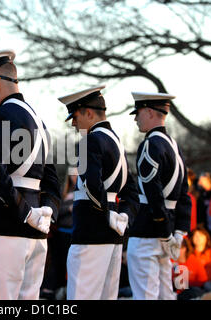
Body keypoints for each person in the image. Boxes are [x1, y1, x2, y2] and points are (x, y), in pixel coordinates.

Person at [0, 49, 61, 299]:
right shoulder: (41, 123)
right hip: (38, 231)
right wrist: (46, 212)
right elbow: (52, 181)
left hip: (5, 225)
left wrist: (23, 211)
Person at [58, 85, 139, 300]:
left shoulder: (89, 141)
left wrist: (106, 214)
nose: (74, 123)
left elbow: (92, 186)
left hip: (91, 231)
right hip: (113, 233)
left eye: (75, 116)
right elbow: (132, 189)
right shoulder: (116, 142)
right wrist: (125, 216)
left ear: (89, 112)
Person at [126, 92, 192, 300]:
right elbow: (184, 194)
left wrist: (164, 230)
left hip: (149, 229)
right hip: (168, 232)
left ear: (149, 112)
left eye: (138, 113)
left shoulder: (150, 145)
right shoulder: (174, 145)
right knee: (165, 295)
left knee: (145, 296)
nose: (136, 118)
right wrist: (179, 231)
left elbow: (153, 193)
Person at [40, 167, 77, 300]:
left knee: (73, 263)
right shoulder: (64, 191)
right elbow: (57, 210)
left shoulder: (83, 191)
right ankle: (53, 290)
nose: (75, 176)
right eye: (72, 174)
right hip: (62, 233)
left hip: (75, 233)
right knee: (59, 262)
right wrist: (69, 208)